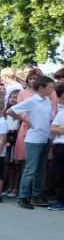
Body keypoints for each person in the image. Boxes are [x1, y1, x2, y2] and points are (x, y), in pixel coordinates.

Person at [7, 75, 55, 209]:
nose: (52, 89)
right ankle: (22, 196)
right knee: (30, 169)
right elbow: (10, 111)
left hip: (45, 138)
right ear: (41, 88)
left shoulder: (47, 101)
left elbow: (49, 119)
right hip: (34, 139)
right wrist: (25, 120)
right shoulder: (31, 101)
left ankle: (37, 195)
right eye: (50, 87)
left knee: (40, 169)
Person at [49, 83, 64, 211]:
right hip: (60, 147)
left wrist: (61, 129)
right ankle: (60, 201)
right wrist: (59, 129)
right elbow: (53, 128)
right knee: (59, 174)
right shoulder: (61, 113)